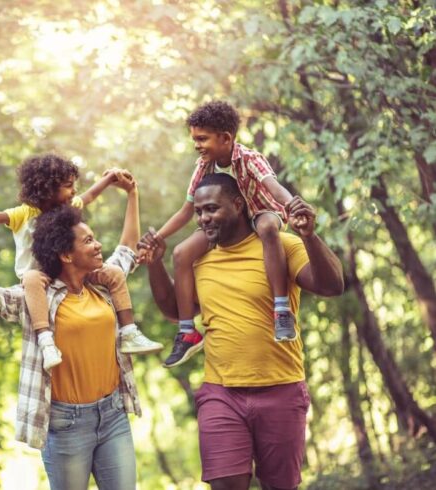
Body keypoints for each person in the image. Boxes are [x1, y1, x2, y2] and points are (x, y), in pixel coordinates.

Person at [0, 177, 144, 490]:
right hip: (67, 424)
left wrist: (132, 194)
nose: (98, 245)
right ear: (66, 255)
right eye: (88, 241)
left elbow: (127, 250)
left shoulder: (103, 284)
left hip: (113, 415)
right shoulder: (36, 299)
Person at [141, 173, 344, 490]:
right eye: (199, 212)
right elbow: (173, 311)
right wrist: (155, 264)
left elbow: (331, 286)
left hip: (282, 388)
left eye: (212, 209)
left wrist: (309, 237)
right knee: (224, 483)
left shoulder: (279, 246)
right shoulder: (200, 260)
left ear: (238, 205)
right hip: (222, 393)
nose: (204, 218)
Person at [0, 153, 161, 371]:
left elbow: (92, 196)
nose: (98, 246)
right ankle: (46, 341)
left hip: (111, 403)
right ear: (47, 188)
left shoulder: (97, 280)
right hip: (37, 280)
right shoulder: (25, 214)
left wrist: (117, 182)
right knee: (32, 278)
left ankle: (129, 331)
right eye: (68, 186)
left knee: (114, 273)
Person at [145, 101, 300, 369]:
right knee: (181, 253)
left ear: (226, 138)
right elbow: (185, 211)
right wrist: (157, 237)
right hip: (225, 221)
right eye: (194, 139)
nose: (197, 145)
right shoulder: (204, 165)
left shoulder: (250, 159)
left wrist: (293, 206)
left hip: (261, 211)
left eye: (202, 138)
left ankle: (281, 309)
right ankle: (187, 332)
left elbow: (273, 188)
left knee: (266, 228)